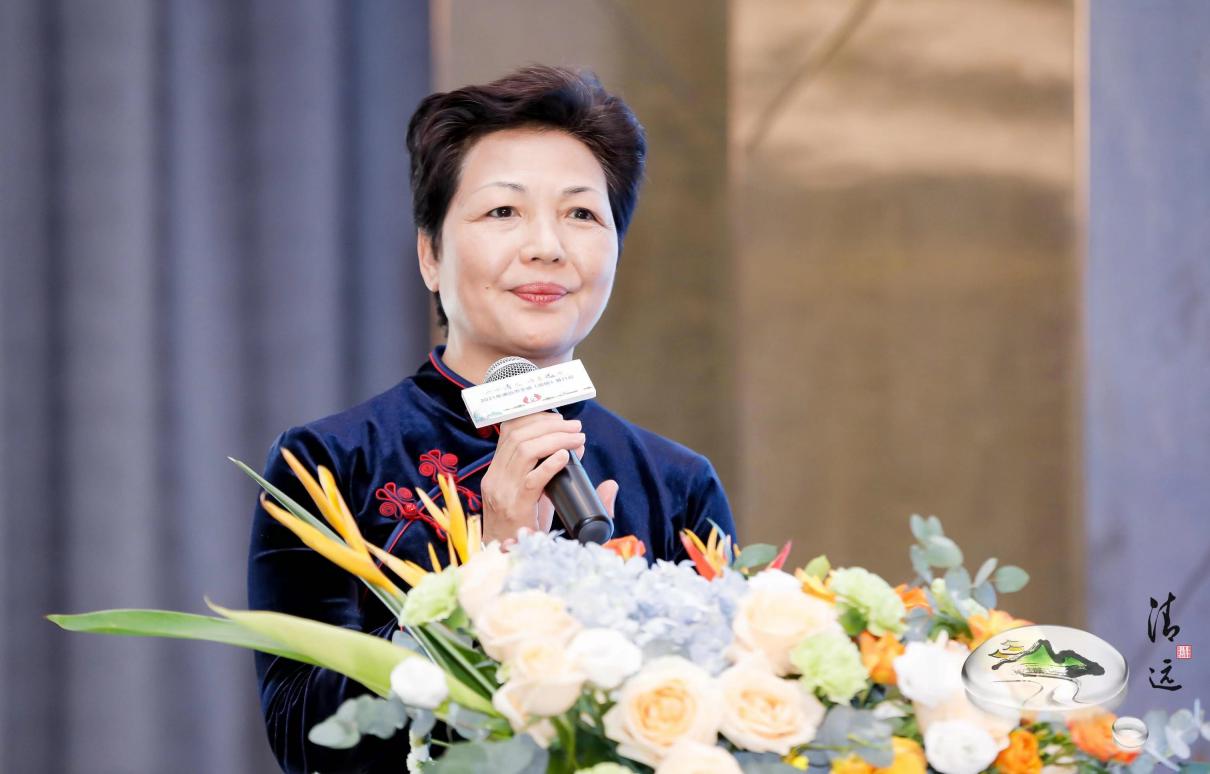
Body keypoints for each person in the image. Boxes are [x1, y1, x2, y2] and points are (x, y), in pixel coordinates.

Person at [247, 64, 737, 774]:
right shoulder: (330, 462)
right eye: (503, 211)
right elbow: (306, 738)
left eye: (581, 215)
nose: (546, 246)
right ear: (430, 255)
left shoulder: (677, 483)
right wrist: (491, 571)